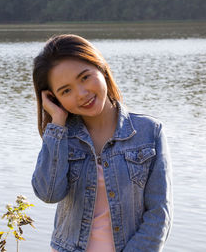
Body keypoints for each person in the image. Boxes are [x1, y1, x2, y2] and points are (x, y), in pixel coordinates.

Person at [31, 34, 173, 252]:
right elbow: (49, 194)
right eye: (66, 91)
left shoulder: (149, 132)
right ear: (55, 98)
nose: (82, 94)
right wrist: (57, 124)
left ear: (101, 67)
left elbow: (159, 214)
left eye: (85, 77)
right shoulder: (62, 137)